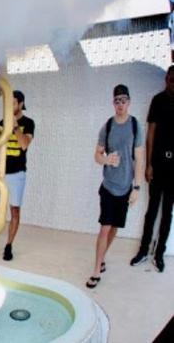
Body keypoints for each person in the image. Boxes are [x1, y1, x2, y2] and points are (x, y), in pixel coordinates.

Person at [87, 84, 145, 288]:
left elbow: (139, 159)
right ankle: (96, 270)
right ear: (113, 103)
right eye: (117, 101)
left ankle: (102, 257)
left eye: (123, 100)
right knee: (105, 227)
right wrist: (106, 160)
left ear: (129, 102)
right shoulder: (108, 126)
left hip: (125, 187)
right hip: (108, 186)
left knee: (114, 228)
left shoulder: (135, 126)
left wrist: (137, 188)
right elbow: (97, 155)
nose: (120, 104)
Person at [131, 66, 174, 273]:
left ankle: (159, 254)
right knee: (152, 210)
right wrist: (148, 164)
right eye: (171, 79)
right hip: (157, 164)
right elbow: (150, 134)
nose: (173, 82)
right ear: (166, 78)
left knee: (168, 212)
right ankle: (143, 251)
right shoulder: (157, 100)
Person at [0, 90, 34, 261]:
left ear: (21, 104)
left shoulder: (29, 123)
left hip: (17, 174)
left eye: (13, 103)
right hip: (0, 173)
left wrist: (15, 127)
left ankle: (8, 245)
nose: (11, 106)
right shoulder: (2, 123)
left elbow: (24, 145)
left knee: (14, 210)